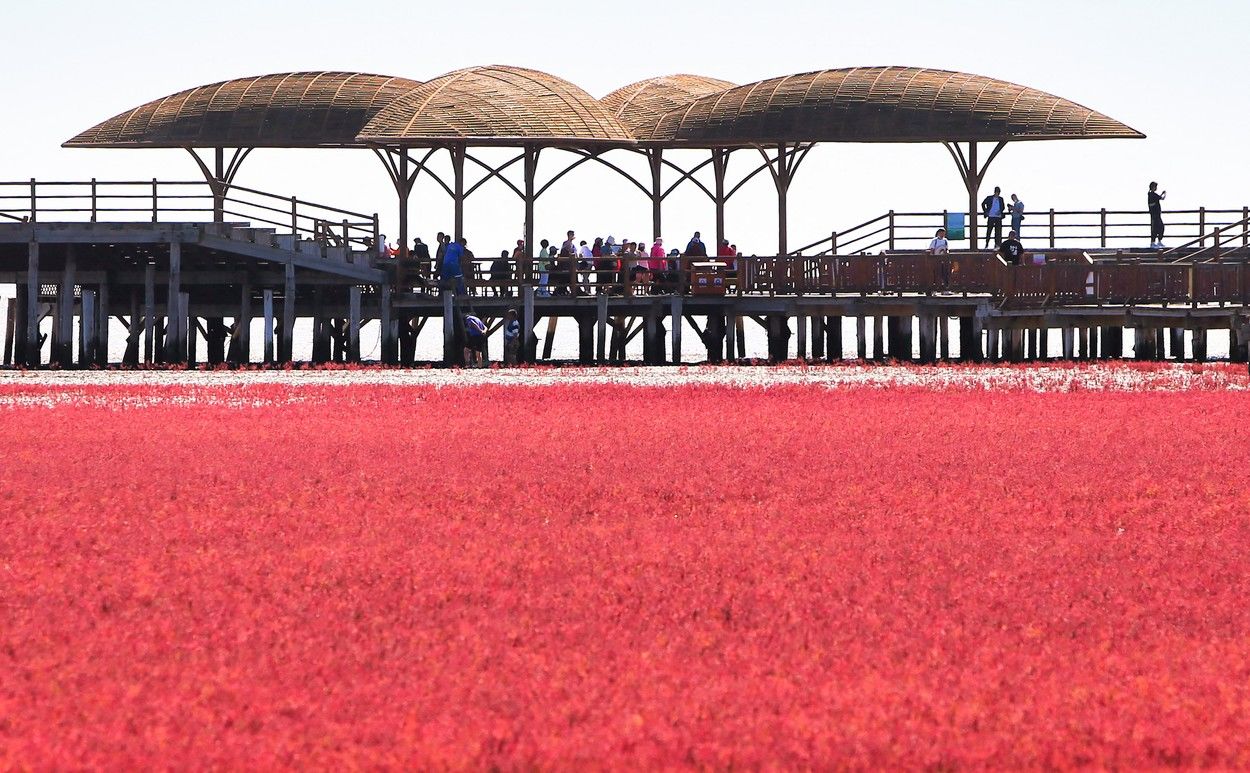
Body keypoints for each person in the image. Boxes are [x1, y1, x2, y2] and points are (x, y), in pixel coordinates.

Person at [1149, 182, 1167, 248]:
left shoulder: (1153, 195)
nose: (1156, 188)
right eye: (1155, 186)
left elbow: (1160, 198)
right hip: (1155, 214)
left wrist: (1163, 194)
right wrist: (1164, 194)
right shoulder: (1151, 194)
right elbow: (1161, 198)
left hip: (1157, 214)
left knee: (1160, 227)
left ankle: (1159, 241)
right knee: (1156, 228)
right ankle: (1153, 242)